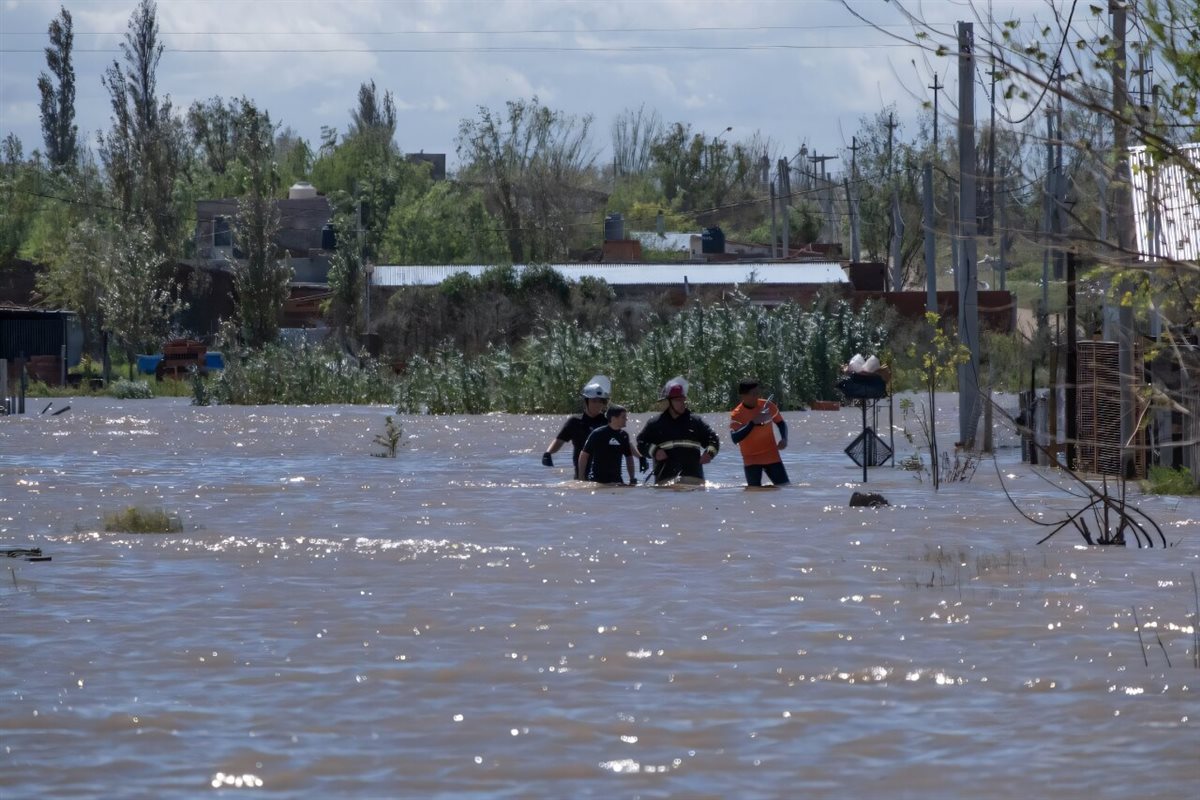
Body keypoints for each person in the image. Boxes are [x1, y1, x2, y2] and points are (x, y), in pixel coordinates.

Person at [636, 376, 720, 483]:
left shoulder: (695, 422)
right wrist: (654, 451)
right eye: (678, 400)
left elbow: (713, 439)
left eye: (683, 400)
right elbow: (641, 442)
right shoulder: (655, 424)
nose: (682, 403)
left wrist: (709, 453)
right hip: (666, 479)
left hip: (693, 478)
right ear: (668, 402)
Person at [541, 375, 610, 478]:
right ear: (586, 402)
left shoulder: (607, 422)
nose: (597, 404)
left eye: (600, 401)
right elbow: (560, 440)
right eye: (594, 401)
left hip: (604, 472)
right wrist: (548, 453)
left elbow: (621, 440)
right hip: (582, 473)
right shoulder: (575, 422)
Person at [729, 378, 790, 487]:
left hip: (772, 456)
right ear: (743, 395)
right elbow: (735, 438)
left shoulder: (768, 406)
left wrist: (784, 439)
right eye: (753, 394)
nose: (757, 396)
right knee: (754, 493)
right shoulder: (737, 414)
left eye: (758, 393)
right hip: (751, 459)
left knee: (785, 488)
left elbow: (781, 423)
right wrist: (753, 423)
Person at [577, 405, 638, 485]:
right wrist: (581, 478)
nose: (626, 419)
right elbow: (584, 455)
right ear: (613, 418)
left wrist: (632, 478)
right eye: (623, 417)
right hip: (597, 481)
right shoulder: (597, 433)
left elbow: (629, 458)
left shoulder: (624, 435)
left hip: (617, 480)